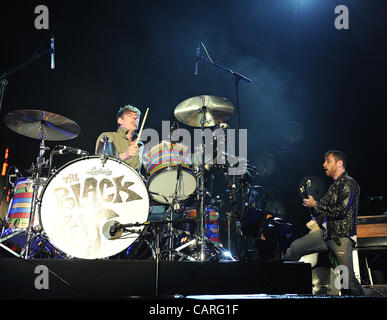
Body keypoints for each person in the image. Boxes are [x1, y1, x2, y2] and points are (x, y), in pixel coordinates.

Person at [283, 150, 365, 296]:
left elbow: (341, 211)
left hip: (341, 237)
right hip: (326, 234)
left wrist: (316, 205)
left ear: (339, 163)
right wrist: (312, 206)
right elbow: (322, 212)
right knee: (294, 249)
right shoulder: (334, 186)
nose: (324, 164)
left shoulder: (348, 184)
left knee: (347, 282)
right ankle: (290, 290)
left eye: (328, 161)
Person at [95, 105, 143, 171]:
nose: (134, 118)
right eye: (129, 116)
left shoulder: (140, 144)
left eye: (136, 117)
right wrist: (125, 155)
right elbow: (101, 164)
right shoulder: (108, 136)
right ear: (120, 120)